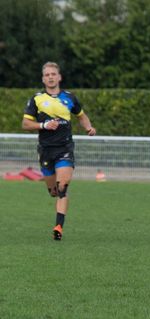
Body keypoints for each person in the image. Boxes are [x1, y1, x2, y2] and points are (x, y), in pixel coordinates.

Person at [21, 61, 96, 241]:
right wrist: (44, 125)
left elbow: (81, 115)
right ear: (43, 79)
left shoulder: (70, 97)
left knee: (63, 186)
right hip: (46, 150)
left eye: (53, 74)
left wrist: (88, 127)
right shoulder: (36, 99)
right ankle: (55, 194)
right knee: (53, 191)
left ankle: (58, 227)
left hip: (65, 148)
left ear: (59, 77)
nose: (50, 77)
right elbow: (25, 124)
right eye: (47, 75)